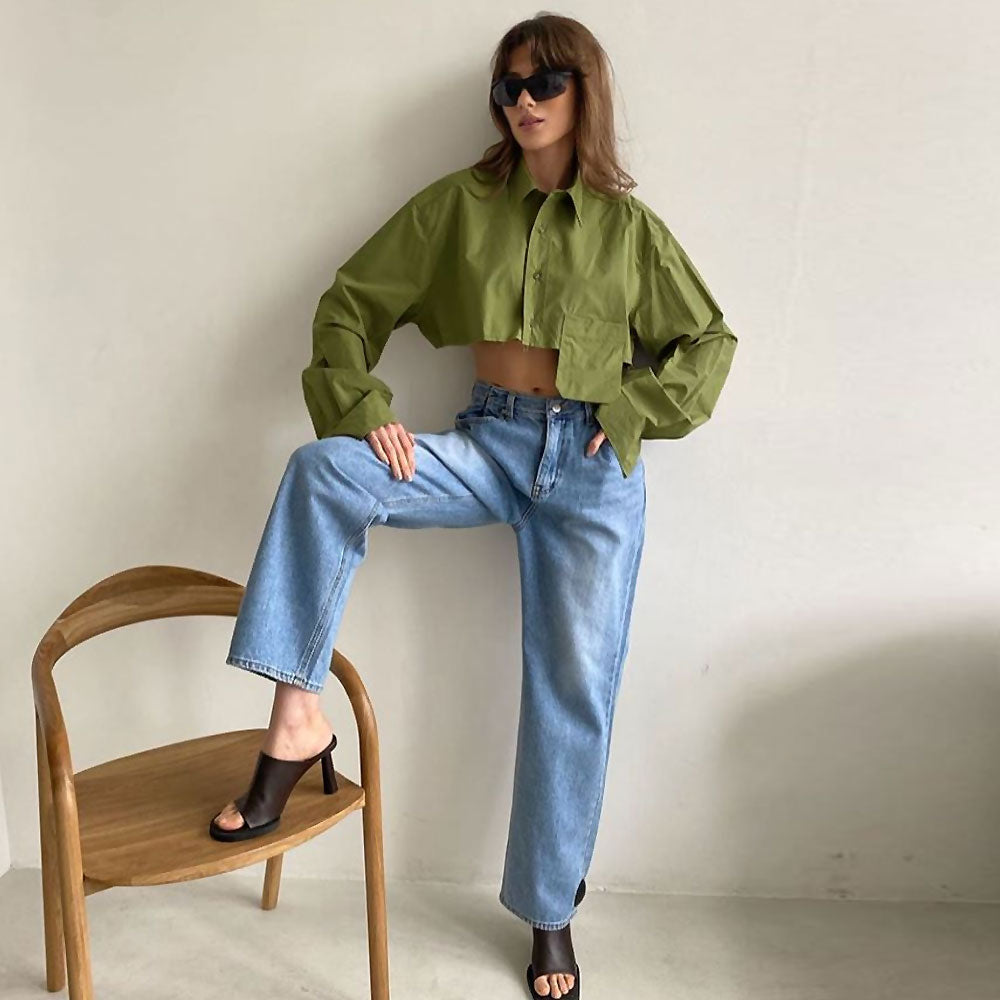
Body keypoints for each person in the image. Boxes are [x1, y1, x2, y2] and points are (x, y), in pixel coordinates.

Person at [209, 13, 737, 1000]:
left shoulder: (627, 230)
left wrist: (632, 410)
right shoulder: (459, 205)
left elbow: (707, 344)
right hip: (489, 443)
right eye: (508, 87)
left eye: (544, 83)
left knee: (572, 687)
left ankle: (549, 907)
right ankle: (296, 719)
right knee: (323, 471)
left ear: (584, 91)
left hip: (591, 470)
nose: (523, 102)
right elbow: (348, 305)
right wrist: (364, 409)